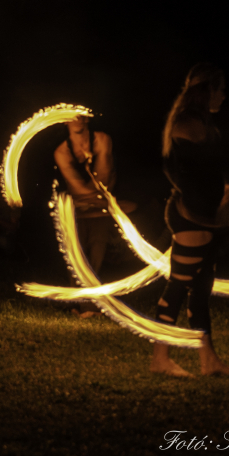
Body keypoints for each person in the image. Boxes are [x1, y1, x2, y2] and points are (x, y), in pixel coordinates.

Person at [151, 63, 229, 377]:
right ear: (207, 90)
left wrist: (224, 191)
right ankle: (160, 358)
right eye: (221, 89)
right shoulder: (189, 123)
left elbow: (210, 167)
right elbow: (187, 170)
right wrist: (209, 198)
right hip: (193, 217)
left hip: (206, 217)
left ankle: (209, 360)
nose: (224, 96)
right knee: (179, 287)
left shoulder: (199, 121)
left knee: (200, 289)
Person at [54, 114, 135, 316]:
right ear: (65, 120)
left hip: (97, 215)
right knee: (76, 260)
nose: (78, 119)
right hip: (77, 214)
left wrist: (94, 200)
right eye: (73, 116)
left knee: (95, 262)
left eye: (82, 115)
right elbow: (77, 187)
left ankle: (88, 307)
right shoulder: (62, 152)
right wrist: (104, 202)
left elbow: (104, 179)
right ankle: (75, 304)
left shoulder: (102, 140)